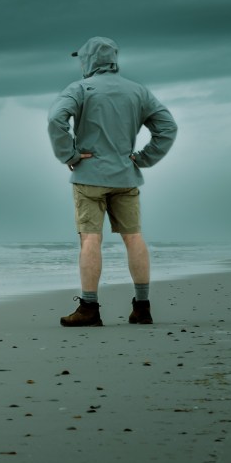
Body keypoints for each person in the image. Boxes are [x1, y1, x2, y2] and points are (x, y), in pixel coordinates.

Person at [47, 36, 177, 327]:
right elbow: (167, 127)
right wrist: (143, 158)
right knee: (134, 238)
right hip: (125, 175)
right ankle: (142, 307)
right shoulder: (138, 91)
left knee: (91, 239)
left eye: (82, 58)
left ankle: (90, 308)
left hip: (89, 175)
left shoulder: (80, 88)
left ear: (89, 60)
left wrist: (68, 154)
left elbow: (56, 119)